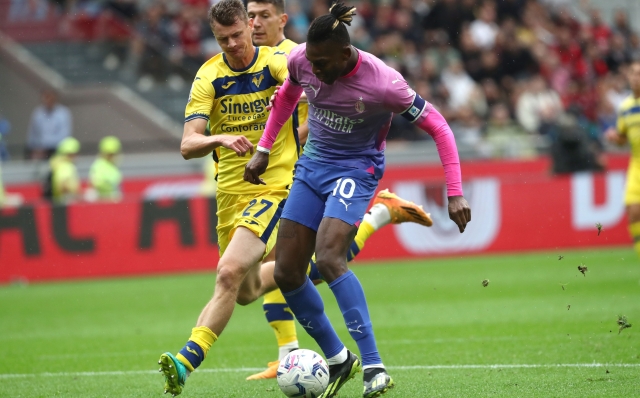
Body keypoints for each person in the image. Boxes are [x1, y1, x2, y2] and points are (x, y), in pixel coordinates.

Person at [157, 2, 434, 396]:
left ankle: (187, 362)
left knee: (231, 273)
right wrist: (218, 138)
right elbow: (188, 144)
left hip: (278, 186)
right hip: (230, 195)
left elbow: (311, 83)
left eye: (241, 32)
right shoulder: (208, 75)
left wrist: (288, 138)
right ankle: (377, 219)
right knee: (257, 285)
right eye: (225, 39)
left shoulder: (277, 60)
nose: (235, 42)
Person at [244, 3, 471, 397]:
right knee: (286, 273)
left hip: (356, 169)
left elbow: (439, 126)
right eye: (311, 62)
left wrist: (455, 192)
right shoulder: (302, 59)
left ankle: (374, 367)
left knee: (330, 257)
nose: (315, 70)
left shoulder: (385, 82)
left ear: (345, 55)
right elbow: (286, 97)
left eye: (323, 63)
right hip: (312, 165)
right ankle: (338, 359)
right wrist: (264, 147)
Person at [606, 59, 640, 257]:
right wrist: (614, 137)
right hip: (636, 164)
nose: (637, 78)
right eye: (634, 73)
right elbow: (622, 137)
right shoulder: (625, 107)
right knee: (634, 212)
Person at [26, 89, 72, 160]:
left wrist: (46, 146)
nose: (48, 100)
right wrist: (34, 148)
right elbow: (32, 133)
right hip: (40, 149)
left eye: (50, 97)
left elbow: (64, 136)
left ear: (55, 99)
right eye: (46, 98)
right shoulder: (38, 113)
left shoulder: (63, 113)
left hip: (56, 147)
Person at [87, 136, 123, 201]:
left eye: (114, 153)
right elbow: (93, 186)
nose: (112, 156)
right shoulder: (98, 165)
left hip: (115, 204)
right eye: (110, 154)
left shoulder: (113, 166)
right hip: (104, 205)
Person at [48, 137, 81, 203]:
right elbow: (63, 185)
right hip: (66, 203)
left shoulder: (58, 164)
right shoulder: (65, 166)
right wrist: (76, 197)